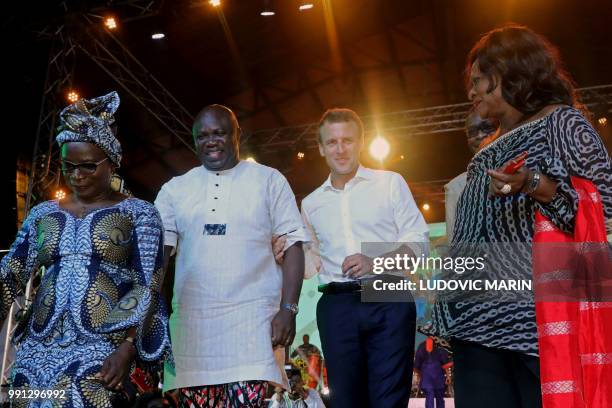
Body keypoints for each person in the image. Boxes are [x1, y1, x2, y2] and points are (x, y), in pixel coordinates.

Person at [427, 24, 612, 407]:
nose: (471, 91)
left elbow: (603, 208)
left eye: (479, 81)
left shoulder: (562, 123)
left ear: (508, 75)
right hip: (475, 325)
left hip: (532, 324)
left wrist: (534, 183)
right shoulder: (486, 150)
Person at [0, 91, 170, 407]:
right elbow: (10, 272)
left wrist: (127, 348)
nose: (77, 176)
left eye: (88, 166)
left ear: (112, 163)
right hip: (37, 348)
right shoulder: (42, 214)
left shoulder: (139, 214)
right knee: (23, 397)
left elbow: (148, 284)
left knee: (85, 395)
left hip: (103, 348)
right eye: (68, 166)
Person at [154, 104, 306, 407]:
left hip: (252, 326)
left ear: (238, 134)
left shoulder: (269, 180)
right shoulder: (175, 190)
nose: (211, 141)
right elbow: (159, 257)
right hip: (193, 329)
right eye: (203, 136)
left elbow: (293, 247)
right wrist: (150, 316)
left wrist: (288, 309)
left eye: (220, 133)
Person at [277, 108, 429, 407]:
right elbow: (311, 265)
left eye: (348, 140)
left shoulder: (389, 183)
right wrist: (283, 255)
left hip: (388, 295)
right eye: (332, 142)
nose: (340, 149)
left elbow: (419, 244)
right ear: (320, 148)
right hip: (337, 305)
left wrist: (377, 261)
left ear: (361, 142)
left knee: (388, 400)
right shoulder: (310, 203)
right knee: (345, 401)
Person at [444, 112, 497, 242]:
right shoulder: (456, 187)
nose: (480, 135)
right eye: (472, 132)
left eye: (487, 128)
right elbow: (454, 242)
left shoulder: (524, 170)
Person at [413, 337, 453, 408]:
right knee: (432, 397)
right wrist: (418, 376)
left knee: (435, 397)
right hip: (430, 376)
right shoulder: (423, 347)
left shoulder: (439, 347)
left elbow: (417, 365)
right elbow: (417, 365)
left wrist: (448, 376)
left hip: (435, 376)